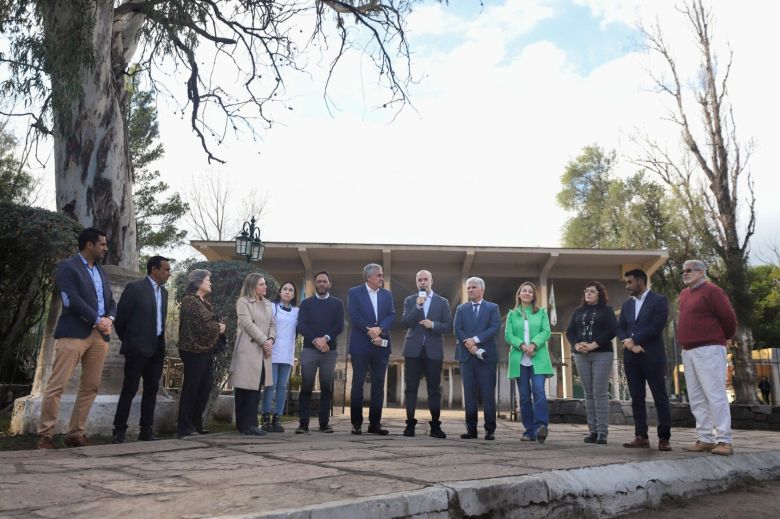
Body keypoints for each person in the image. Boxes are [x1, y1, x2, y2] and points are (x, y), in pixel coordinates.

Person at [37, 227, 117, 449]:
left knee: (90, 387)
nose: (105, 248)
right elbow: (70, 299)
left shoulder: (102, 272)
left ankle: (76, 433)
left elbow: (111, 301)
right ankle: (45, 434)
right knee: (57, 385)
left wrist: (109, 318)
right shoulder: (67, 267)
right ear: (89, 245)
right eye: (102, 244)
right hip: (74, 333)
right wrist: (96, 319)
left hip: (100, 336)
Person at [677, 259, 737, 456]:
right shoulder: (685, 294)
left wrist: (725, 337)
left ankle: (724, 440)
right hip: (689, 350)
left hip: (709, 348)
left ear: (701, 273)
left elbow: (728, 317)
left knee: (715, 394)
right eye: (683, 271)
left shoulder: (712, 291)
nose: (685, 273)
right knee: (696, 397)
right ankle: (705, 438)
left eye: (689, 270)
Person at [112, 255, 172, 444]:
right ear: (154, 270)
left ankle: (146, 430)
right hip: (137, 349)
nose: (169, 273)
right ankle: (119, 430)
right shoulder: (135, 288)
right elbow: (120, 320)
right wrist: (131, 341)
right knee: (129, 389)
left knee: (151, 390)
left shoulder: (164, 293)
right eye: (166, 269)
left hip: (157, 350)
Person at [616, 269, 672, 451]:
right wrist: (629, 343)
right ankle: (641, 436)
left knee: (660, 397)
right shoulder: (626, 305)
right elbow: (620, 327)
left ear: (641, 281)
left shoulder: (659, 300)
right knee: (636, 398)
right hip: (632, 358)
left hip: (652, 357)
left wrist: (636, 339)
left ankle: (664, 438)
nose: (627, 286)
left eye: (630, 282)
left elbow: (657, 326)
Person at [401, 270, 452, 438]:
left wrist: (434, 325)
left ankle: (435, 427)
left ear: (432, 281)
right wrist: (418, 306)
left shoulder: (442, 302)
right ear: (417, 283)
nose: (423, 282)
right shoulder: (410, 300)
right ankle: (410, 425)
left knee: (434, 389)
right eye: (420, 280)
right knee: (411, 388)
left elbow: (448, 326)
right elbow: (406, 322)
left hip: (434, 350)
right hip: (413, 350)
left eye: (426, 279)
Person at [566, 281, 617, 445]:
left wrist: (594, 344)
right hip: (581, 355)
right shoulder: (578, 311)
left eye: (592, 291)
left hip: (601, 354)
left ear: (600, 294)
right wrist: (576, 344)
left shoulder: (607, 311)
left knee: (599, 392)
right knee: (588, 393)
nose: (588, 294)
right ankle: (593, 431)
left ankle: (603, 432)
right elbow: (570, 332)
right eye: (586, 291)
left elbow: (612, 330)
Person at [348, 263, 395, 435]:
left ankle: (375, 424)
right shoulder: (354, 292)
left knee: (378, 385)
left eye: (382, 275)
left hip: (381, 346)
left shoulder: (387, 294)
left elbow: (391, 314)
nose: (382, 278)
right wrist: (370, 332)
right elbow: (354, 315)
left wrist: (380, 329)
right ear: (369, 277)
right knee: (358, 384)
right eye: (379, 275)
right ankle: (356, 423)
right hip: (361, 344)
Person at [176, 269, 225, 439]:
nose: (210, 283)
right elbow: (202, 324)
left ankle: (196, 423)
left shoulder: (205, 302)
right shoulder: (190, 301)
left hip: (206, 351)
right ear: (198, 282)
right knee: (192, 388)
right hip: (192, 350)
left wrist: (218, 326)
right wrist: (218, 327)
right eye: (208, 280)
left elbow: (210, 321)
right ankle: (184, 426)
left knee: (204, 388)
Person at [296, 271, 345, 434]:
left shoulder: (337, 304)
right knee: (306, 387)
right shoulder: (306, 304)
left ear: (330, 284)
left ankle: (324, 424)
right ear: (315, 284)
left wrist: (326, 339)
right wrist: (317, 341)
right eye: (319, 281)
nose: (322, 284)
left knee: (326, 387)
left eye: (325, 281)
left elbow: (339, 326)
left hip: (329, 351)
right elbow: (301, 325)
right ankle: (303, 424)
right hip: (310, 349)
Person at [454, 277, 501, 440]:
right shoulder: (461, 308)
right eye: (468, 288)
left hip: (486, 357)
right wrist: (469, 343)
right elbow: (457, 329)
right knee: (469, 394)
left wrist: (476, 340)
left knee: (488, 394)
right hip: (466, 357)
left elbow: (495, 327)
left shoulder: (492, 308)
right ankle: (471, 429)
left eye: (473, 287)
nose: (470, 290)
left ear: (482, 289)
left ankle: (490, 429)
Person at [505, 281, 552, 444]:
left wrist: (533, 344)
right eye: (524, 290)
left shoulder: (541, 313)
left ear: (533, 296)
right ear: (519, 294)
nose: (527, 293)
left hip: (538, 358)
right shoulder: (512, 314)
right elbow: (508, 335)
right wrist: (522, 345)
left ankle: (541, 427)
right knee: (524, 396)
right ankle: (529, 430)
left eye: (530, 291)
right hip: (520, 359)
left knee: (539, 391)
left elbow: (546, 332)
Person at [229, 273, 276, 436]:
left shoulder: (269, 304)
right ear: (252, 286)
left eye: (265, 284)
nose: (265, 287)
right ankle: (245, 424)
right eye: (261, 284)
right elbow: (247, 324)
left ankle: (250, 424)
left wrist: (270, 339)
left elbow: (272, 324)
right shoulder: (243, 302)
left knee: (256, 386)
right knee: (245, 387)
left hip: (263, 351)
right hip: (248, 350)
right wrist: (264, 341)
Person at [260, 281, 298, 433]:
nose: (287, 292)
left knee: (282, 386)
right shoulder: (272, 307)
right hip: (272, 351)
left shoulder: (297, 311)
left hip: (287, 353)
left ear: (294, 294)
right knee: (271, 385)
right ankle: (266, 418)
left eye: (291, 290)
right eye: (285, 289)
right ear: (280, 291)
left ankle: (278, 418)